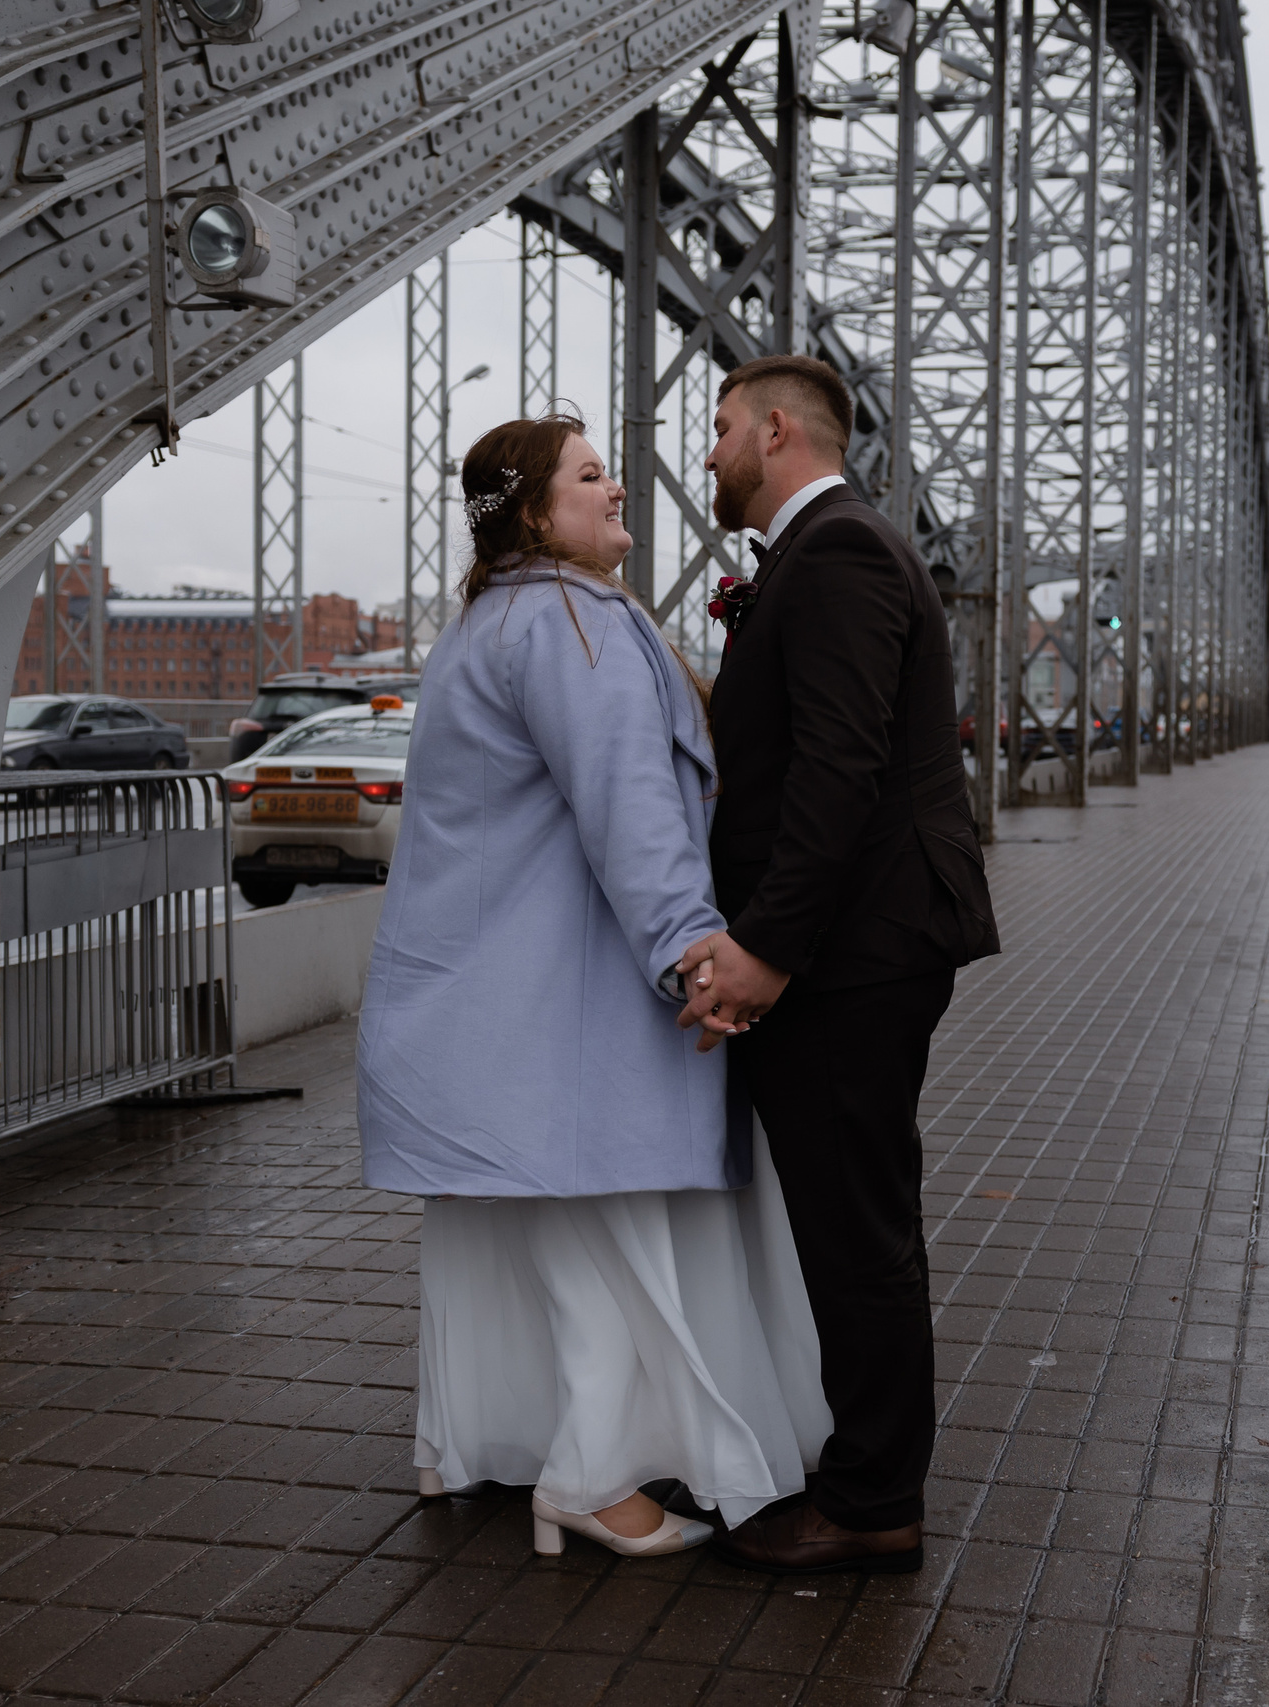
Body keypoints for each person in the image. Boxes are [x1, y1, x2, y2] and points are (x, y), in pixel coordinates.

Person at [355, 414, 831, 1559]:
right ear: (533, 513)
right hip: (565, 1012)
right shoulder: (580, 625)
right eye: (588, 474)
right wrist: (693, 954)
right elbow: (634, 813)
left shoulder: (481, 625)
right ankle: (587, 1476)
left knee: (502, 1239)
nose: (617, 486)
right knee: (615, 1249)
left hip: (476, 1003)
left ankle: (469, 1442)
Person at [675, 355, 1001, 1574]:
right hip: (861, 941)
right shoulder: (823, 555)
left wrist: (764, 950)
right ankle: (866, 1469)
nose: (705, 454)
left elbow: (837, 771)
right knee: (850, 1216)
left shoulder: (844, 553)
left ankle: (872, 1504)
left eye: (716, 431)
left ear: (774, 432)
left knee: (857, 1224)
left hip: (856, 950)